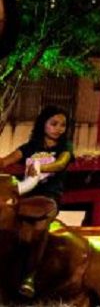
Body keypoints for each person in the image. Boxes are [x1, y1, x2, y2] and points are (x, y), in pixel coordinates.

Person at [0, 104, 73, 298]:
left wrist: (40, 167)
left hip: (48, 198)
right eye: (54, 123)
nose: (58, 128)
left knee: (39, 229)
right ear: (43, 124)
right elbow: (7, 160)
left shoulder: (64, 147)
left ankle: (30, 276)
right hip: (26, 197)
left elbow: (61, 164)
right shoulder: (30, 147)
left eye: (63, 125)